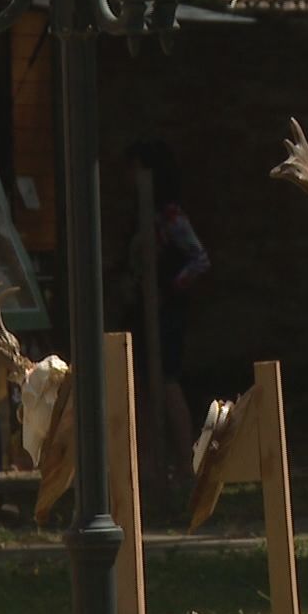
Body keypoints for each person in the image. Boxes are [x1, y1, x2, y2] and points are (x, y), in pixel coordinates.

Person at [125, 140, 208, 482]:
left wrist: (168, 290)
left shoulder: (171, 216)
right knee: (142, 384)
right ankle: (147, 463)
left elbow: (199, 259)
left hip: (167, 311)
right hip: (143, 308)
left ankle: (186, 462)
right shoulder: (142, 214)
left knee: (167, 380)